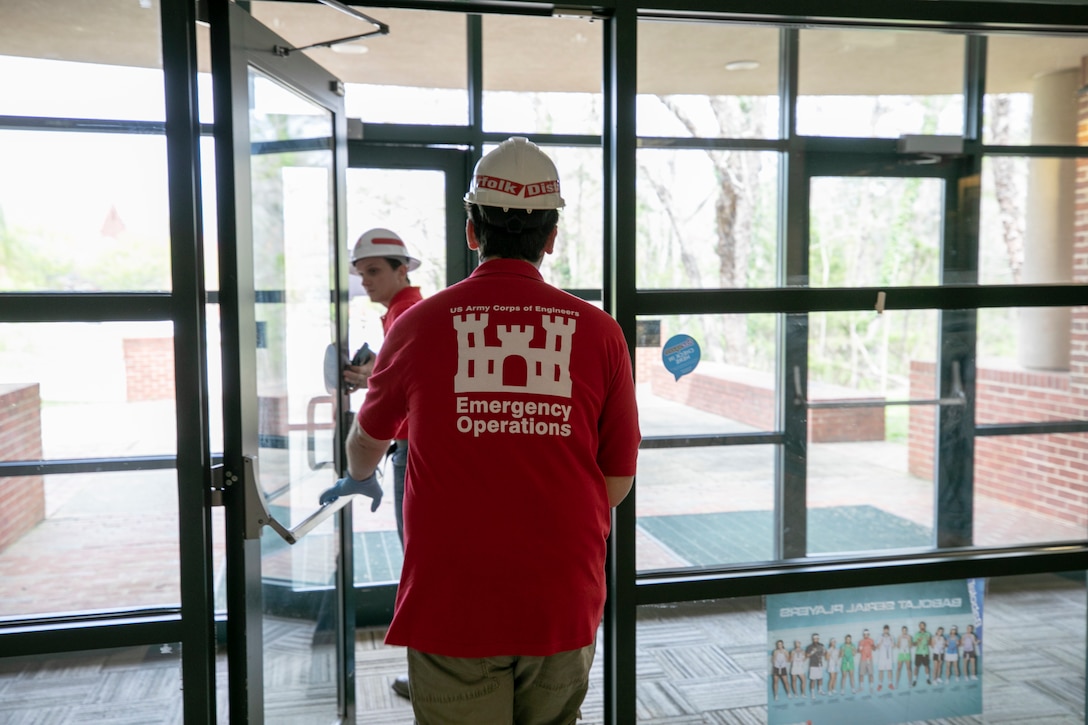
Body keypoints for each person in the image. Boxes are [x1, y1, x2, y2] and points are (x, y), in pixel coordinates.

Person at [338, 137, 641, 723]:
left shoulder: (419, 325)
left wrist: (357, 474)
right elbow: (617, 479)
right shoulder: (600, 332)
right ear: (551, 238)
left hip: (453, 593)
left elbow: (367, 442)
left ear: (474, 232)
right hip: (562, 590)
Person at [318, 227, 424, 700]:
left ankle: (429, 678)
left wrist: (361, 468)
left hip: (408, 451)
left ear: (403, 269)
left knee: (418, 566)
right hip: (405, 449)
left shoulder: (409, 315)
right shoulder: (401, 314)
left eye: (375, 271)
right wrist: (373, 376)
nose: (366, 281)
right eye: (362, 274)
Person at [912, 620, 932, 686]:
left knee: (926, 666)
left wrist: (928, 640)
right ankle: (914, 680)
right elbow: (914, 644)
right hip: (918, 653)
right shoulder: (917, 634)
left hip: (925, 652)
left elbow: (930, 644)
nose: (922, 627)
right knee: (916, 667)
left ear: (925, 626)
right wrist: (918, 640)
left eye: (923, 625)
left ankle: (927, 679)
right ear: (919, 626)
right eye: (921, 625)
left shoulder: (928, 634)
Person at [805, 633, 826, 697]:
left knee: (820, 678)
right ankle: (812, 693)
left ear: (818, 639)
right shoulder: (809, 647)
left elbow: (823, 654)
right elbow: (807, 655)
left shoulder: (822, 645)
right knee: (813, 680)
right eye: (814, 639)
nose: (815, 640)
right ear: (812, 639)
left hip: (820, 664)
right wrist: (812, 652)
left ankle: (820, 690)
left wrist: (824, 651)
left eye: (817, 638)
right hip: (813, 665)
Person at [875, 624, 895, 691]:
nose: (886, 631)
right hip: (882, 657)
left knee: (889, 670)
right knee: (881, 670)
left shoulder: (891, 636)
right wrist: (881, 640)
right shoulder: (879, 636)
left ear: (888, 630)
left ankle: (890, 684)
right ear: (883, 630)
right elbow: (877, 647)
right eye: (885, 630)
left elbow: (893, 646)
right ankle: (880, 685)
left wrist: (891, 639)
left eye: (887, 630)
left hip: (889, 657)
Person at [856, 628, 875, 694]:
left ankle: (871, 688)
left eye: (867, 634)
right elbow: (858, 651)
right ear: (863, 635)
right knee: (861, 674)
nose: (866, 635)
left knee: (871, 674)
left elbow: (874, 649)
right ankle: (861, 687)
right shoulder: (861, 641)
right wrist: (860, 648)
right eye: (864, 634)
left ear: (869, 634)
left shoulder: (871, 640)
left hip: (869, 659)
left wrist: (872, 645)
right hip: (863, 659)